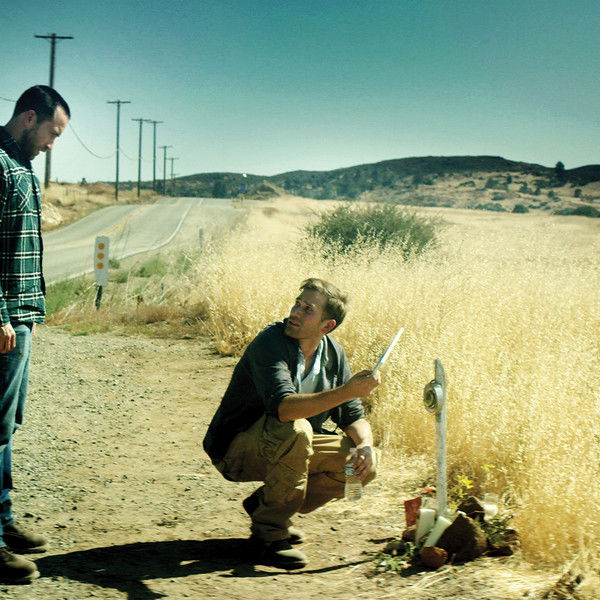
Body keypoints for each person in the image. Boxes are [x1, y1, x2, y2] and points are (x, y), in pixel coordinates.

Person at [203, 278, 380, 570]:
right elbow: (284, 409)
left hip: (288, 448)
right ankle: (268, 536)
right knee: (298, 429)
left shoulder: (333, 354)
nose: (295, 312)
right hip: (237, 450)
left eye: (307, 309)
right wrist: (348, 390)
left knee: (362, 466)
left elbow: (353, 416)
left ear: (327, 326)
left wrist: (366, 445)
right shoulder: (270, 342)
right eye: (297, 304)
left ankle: (265, 504)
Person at [0, 85, 70, 584]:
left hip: (21, 315)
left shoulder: (22, 166)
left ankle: (3, 523)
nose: (52, 143)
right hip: (3, 319)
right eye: (52, 132)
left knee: (6, 425)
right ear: (29, 118)